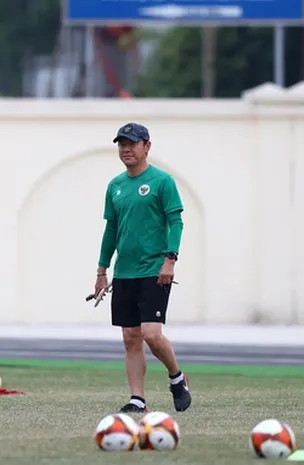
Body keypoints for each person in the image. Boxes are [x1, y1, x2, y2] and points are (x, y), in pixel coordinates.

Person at [93, 122, 191, 414]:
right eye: (121, 144)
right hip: (125, 272)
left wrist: (170, 259)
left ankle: (177, 378)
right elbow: (111, 230)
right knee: (130, 337)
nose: (126, 149)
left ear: (147, 146)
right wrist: (101, 271)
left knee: (151, 333)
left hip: (154, 270)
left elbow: (176, 222)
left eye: (132, 144)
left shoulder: (162, 182)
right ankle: (138, 399)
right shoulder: (116, 186)